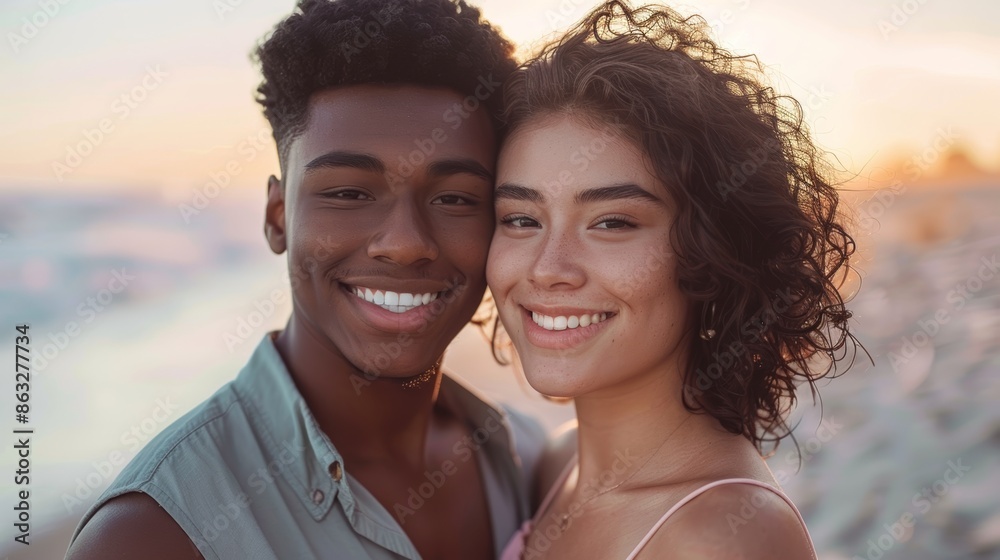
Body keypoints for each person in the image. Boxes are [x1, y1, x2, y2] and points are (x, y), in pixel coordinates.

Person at [65, 1, 547, 559]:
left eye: (456, 198)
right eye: (348, 193)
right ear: (277, 217)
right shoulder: (151, 535)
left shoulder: (523, 460)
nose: (405, 243)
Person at [488, 2, 857, 558]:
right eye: (522, 219)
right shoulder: (557, 465)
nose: (548, 267)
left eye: (612, 222)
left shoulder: (725, 535)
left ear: (709, 251)